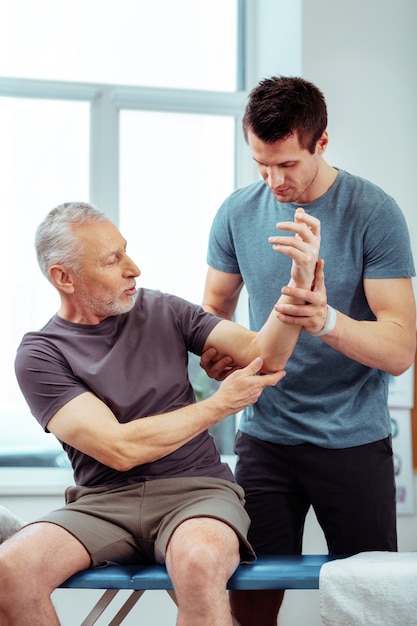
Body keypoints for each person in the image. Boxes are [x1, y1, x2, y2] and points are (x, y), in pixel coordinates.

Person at [0, 201, 321, 626]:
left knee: (199, 562)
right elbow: (119, 449)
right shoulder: (41, 353)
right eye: (113, 260)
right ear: (64, 277)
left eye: (125, 251)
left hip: (197, 494)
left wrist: (297, 286)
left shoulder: (166, 310)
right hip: (102, 504)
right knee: (9, 571)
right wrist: (220, 404)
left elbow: (264, 354)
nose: (134, 268)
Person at [201, 75, 416, 626]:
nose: (274, 179)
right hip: (266, 441)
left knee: (374, 604)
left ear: (322, 143)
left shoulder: (374, 212)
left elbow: (399, 350)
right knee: (248, 602)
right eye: (260, 164)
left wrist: (324, 319)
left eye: (287, 164)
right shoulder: (234, 213)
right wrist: (216, 355)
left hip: (354, 441)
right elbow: (212, 316)